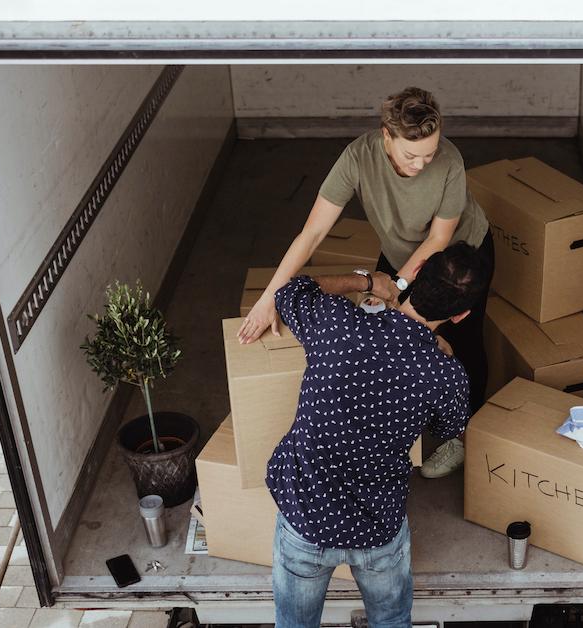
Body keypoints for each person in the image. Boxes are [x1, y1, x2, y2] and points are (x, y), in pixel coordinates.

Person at [238, 86, 492, 479]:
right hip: (399, 256)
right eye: (412, 155)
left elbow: (438, 240)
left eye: (430, 153)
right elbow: (312, 234)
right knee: (382, 330)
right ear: (386, 136)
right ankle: (398, 425)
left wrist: (399, 290)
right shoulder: (357, 158)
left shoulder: (450, 162)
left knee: (464, 344)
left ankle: (458, 437)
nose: (423, 164)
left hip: (457, 259)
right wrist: (269, 297)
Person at [266, 243, 489, 628]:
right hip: (378, 528)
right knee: (391, 622)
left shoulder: (336, 323)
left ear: (416, 272)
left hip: (305, 518)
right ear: (460, 315)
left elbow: (290, 291)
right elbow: (448, 430)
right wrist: (441, 357)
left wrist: (368, 282)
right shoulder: (446, 375)